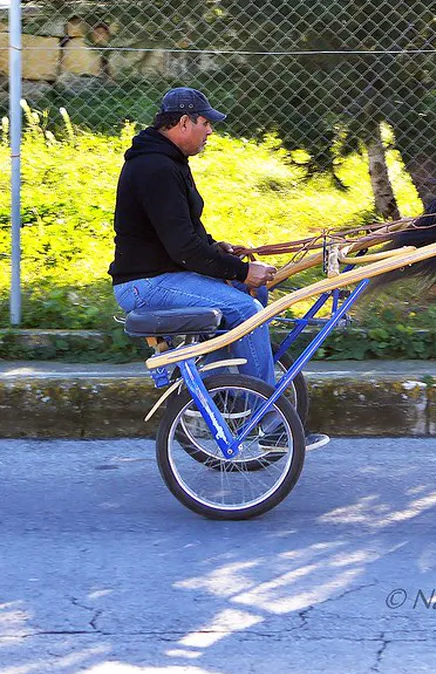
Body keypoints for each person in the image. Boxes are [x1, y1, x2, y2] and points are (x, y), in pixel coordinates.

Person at [110, 87, 328, 451]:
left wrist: (217, 250)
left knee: (253, 293)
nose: (210, 130)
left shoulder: (169, 161)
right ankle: (267, 422)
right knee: (246, 308)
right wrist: (240, 271)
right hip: (144, 285)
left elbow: (184, 232)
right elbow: (182, 247)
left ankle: (224, 389)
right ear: (184, 122)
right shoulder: (155, 168)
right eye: (206, 122)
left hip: (163, 275)